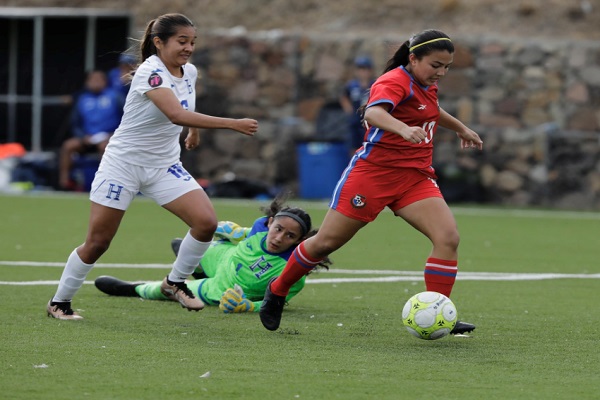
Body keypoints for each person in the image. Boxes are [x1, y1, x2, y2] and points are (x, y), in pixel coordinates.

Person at [260, 29, 483, 333]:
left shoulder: (426, 83)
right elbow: (374, 113)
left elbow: (430, 111)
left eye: (447, 67)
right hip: (372, 177)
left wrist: (461, 128)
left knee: (448, 238)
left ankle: (438, 311)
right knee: (324, 243)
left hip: (414, 178)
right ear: (414, 58)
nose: (441, 73)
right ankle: (278, 289)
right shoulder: (393, 81)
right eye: (436, 65)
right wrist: (403, 130)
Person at [47, 13, 258, 320]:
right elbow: (175, 113)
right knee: (98, 243)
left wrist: (194, 131)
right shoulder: (150, 72)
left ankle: (174, 283)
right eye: (181, 41)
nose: (188, 48)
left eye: (192, 42)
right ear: (159, 43)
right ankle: (59, 302)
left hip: (162, 166)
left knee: (205, 223)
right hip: (123, 166)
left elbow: (187, 101)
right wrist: (232, 123)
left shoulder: (190, 71)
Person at [93, 196, 330, 312]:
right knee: (192, 244)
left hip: (220, 287)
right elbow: (243, 234)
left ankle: (134, 289)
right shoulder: (259, 230)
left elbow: (274, 304)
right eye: (278, 229)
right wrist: (231, 231)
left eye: (289, 236)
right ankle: (195, 264)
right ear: (270, 223)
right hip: (223, 257)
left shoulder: (293, 270)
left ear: (300, 241)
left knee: (171, 288)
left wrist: (246, 306)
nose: (279, 238)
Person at [58, 70, 124, 190]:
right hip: (88, 138)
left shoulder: (115, 97)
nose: (95, 82)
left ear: (105, 81)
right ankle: (65, 183)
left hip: (109, 137)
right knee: (68, 146)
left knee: (105, 147)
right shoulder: (82, 99)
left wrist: (113, 135)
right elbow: (75, 123)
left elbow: (126, 118)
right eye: (92, 80)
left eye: (98, 79)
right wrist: (82, 136)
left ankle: (105, 183)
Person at [338, 56, 376, 154]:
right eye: (360, 69)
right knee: (353, 145)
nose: (363, 72)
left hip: (368, 120)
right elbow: (344, 96)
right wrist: (348, 108)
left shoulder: (374, 85)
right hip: (354, 120)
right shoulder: (352, 85)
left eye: (365, 69)